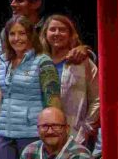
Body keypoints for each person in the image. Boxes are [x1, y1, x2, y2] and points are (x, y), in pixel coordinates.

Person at [0, 17, 60, 159]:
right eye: (12, 34)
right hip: (5, 133)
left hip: (31, 133)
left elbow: (53, 100)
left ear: (31, 35)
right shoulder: (3, 61)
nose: (17, 38)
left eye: (22, 33)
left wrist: (52, 131)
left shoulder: (43, 61)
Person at [41, 15, 99, 146]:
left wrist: (86, 129)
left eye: (62, 30)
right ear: (45, 33)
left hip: (75, 135)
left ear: (70, 35)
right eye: (53, 29)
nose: (57, 33)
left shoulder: (83, 62)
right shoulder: (39, 62)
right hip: (42, 134)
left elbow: (97, 99)